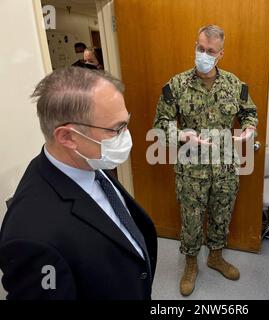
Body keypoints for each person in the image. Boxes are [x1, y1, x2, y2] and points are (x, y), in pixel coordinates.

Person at [0, 67, 157, 299]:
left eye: (126, 123)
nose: (126, 136)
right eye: (116, 129)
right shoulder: (33, 239)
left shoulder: (87, 162)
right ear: (67, 137)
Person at [153, 25, 258, 296]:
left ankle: (215, 257)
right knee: (191, 219)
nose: (204, 54)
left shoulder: (235, 85)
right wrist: (183, 136)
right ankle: (191, 265)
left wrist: (249, 128)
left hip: (225, 166)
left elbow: (249, 112)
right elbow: (161, 123)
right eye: (200, 48)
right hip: (191, 168)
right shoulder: (176, 85)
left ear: (220, 53)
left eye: (210, 51)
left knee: (222, 215)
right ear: (195, 45)